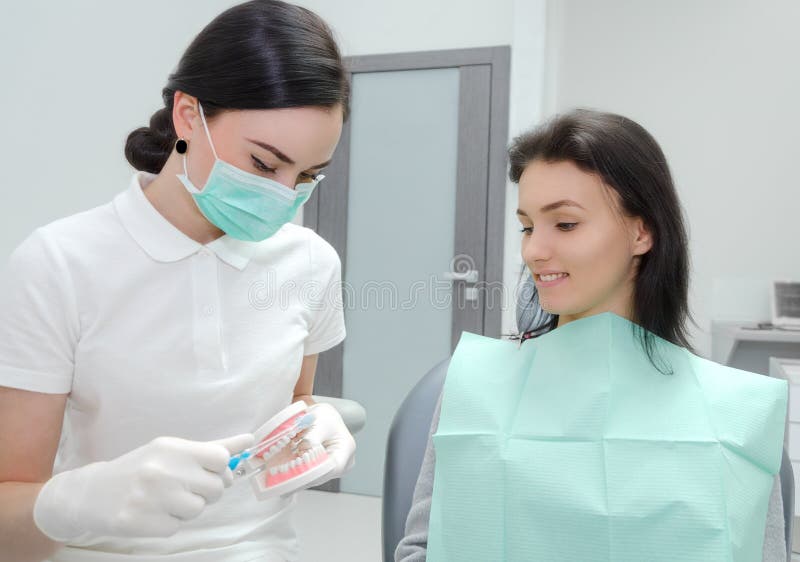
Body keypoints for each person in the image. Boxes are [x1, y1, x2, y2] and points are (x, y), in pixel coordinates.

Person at [0, 2, 355, 561]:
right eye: (265, 165)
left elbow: (293, 404)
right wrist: (71, 503)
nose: (285, 196)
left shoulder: (310, 262)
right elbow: (9, 508)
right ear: (188, 115)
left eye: (308, 175)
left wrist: (313, 425)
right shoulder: (59, 263)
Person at [395, 109, 787, 561]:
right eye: (527, 226)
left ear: (642, 232)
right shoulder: (477, 387)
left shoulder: (732, 415)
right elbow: (421, 550)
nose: (534, 251)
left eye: (565, 224)